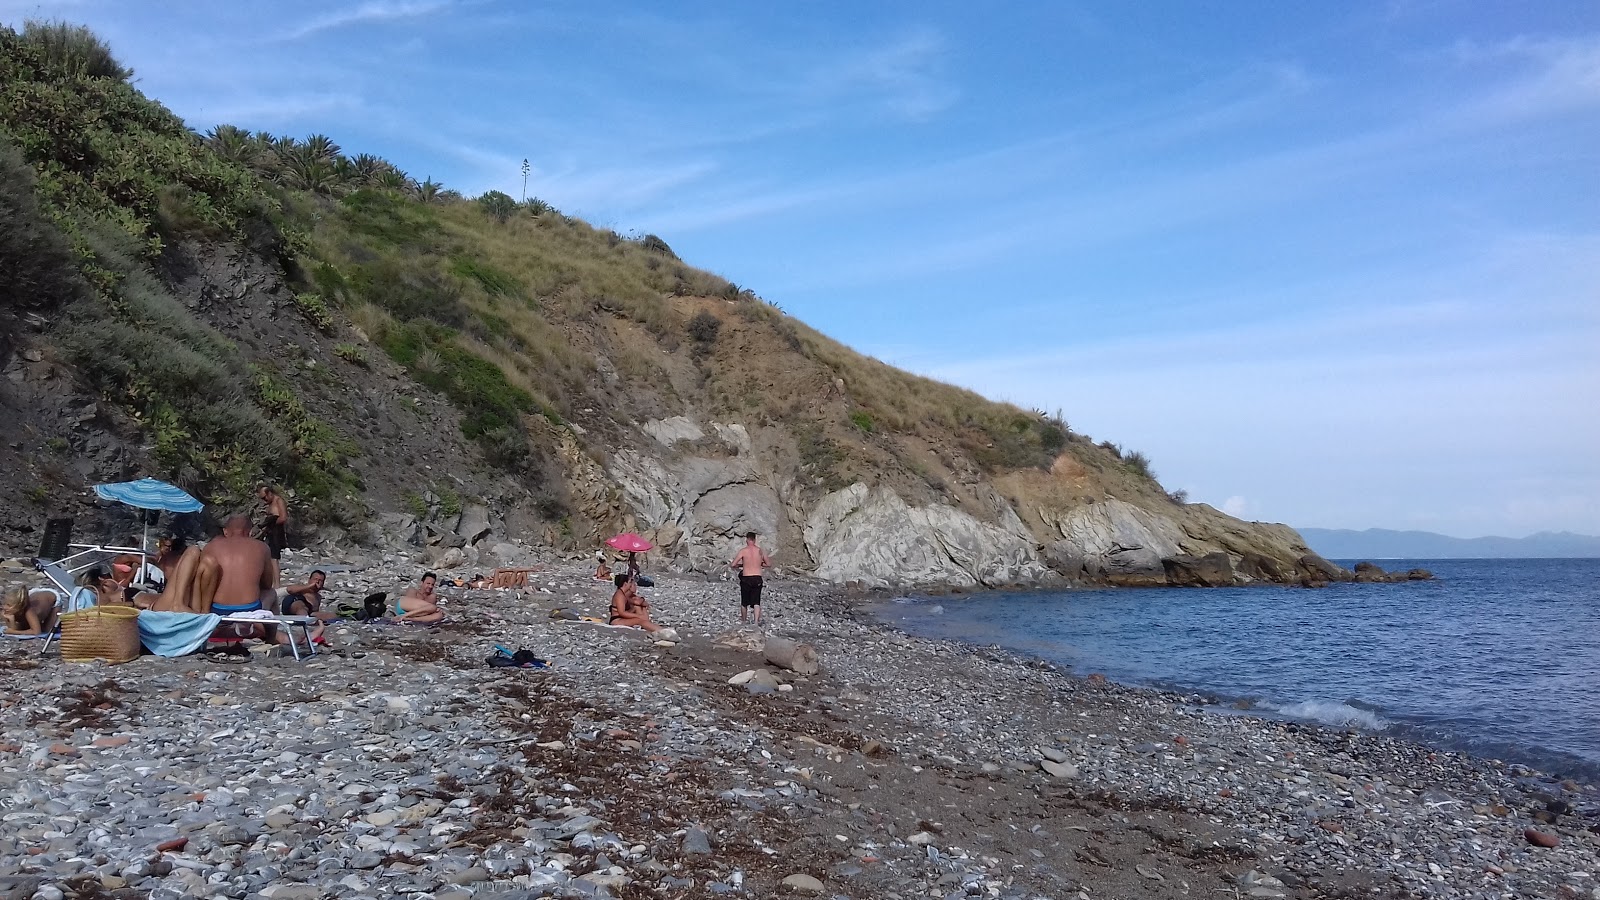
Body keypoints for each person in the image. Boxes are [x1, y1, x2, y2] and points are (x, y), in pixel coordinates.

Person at [193, 515, 279, 643]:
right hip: (249, 608)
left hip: (217, 608)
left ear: (225, 531)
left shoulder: (210, 547)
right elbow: (267, 584)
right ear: (249, 532)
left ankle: (219, 627)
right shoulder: (261, 547)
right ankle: (271, 637)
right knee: (271, 593)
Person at [729, 531, 770, 625]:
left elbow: (733, 564)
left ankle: (744, 621)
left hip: (746, 577)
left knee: (744, 602)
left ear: (747, 540)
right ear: (755, 540)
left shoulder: (743, 551)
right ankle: (755, 622)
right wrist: (760, 563)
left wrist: (742, 564)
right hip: (757, 577)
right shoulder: (760, 551)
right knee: (756, 602)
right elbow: (768, 564)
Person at [258, 484, 288, 575]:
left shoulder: (278, 501)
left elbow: (283, 517)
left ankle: (277, 584)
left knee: (274, 558)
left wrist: (272, 523)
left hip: (276, 530)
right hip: (270, 530)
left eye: (264, 497)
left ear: (269, 493)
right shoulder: (270, 504)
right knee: (268, 556)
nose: (264, 500)